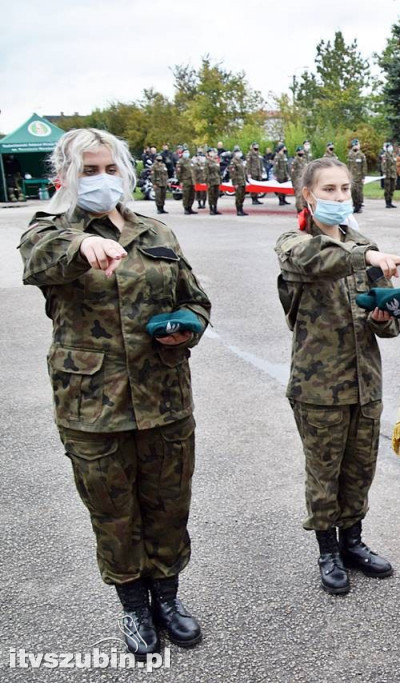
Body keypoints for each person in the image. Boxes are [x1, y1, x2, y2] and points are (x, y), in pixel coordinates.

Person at [19, 128, 211, 658]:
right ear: (66, 176)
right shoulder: (49, 231)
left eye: (109, 169)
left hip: (165, 397)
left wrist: (186, 325)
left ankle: (167, 599)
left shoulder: (156, 232)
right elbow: (38, 262)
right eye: (89, 170)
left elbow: (196, 299)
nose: (102, 180)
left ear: (125, 173)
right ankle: (133, 607)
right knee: (113, 510)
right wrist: (83, 243)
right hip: (92, 405)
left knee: (169, 505)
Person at [274, 157, 400, 595]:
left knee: (359, 469)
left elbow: (389, 325)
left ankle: (353, 541)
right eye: (329, 190)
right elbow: (318, 260)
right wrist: (366, 256)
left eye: (345, 189)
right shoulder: (294, 243)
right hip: (318, 386)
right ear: (308, 195)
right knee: (324, 471)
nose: (339, 197)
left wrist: (381, 315)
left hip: (364, 381)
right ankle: (327, 550)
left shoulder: (364, 243)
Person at [174, 148, 196, 215]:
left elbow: (193, 171)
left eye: (188, 152)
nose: (187, 154)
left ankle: (190, 207)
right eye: (185, 152)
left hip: (192, 181)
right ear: (183, 153)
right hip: (185, 181)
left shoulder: (190, 161)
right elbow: (178, 172)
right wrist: (180, 181)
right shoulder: (180, 162)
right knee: (186, 195)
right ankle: (186, 208)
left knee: (192, 195)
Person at [348, 140, 366, 213]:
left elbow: (364, 167)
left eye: (357, 145)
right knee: (353, 191)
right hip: (352, 176)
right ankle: (355, 205)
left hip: (359, 177)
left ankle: (359, 205)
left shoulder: (361, 155)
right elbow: (348, 166)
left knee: (359, 191)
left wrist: (363, 177)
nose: (356, 146)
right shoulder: (350, 155)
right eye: (355, 145)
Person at [228, 149, 248, 216]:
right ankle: (238, 210)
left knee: (242, 196)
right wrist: (235, 183)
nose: (239, 154)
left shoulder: (241, 161)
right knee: (238, 196)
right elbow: (232, 173)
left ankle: (241, 209)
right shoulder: (233, 162)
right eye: (237, 152)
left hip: (242, 181)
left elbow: (244, 171)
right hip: (237, 182)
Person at [290, 145, 309, 214]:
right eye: (300, 151)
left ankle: (304, 209)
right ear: (297, 152)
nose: (301, 152)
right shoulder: (295, 161)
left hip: (304, 179)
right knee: (299, 196)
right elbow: (292, 173)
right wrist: (294, 183)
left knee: (304, 195)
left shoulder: (304, 160)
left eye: (302, 151)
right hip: (298, 180)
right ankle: (299, 210)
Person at [380, 142, 398, 209]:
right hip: (388, 175)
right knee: (387, 189)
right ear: (387, 148)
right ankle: (387, 203)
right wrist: (384, 173)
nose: (391, 148)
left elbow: (395, 165)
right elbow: (383, 165)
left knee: (392, 189)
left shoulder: (393, 155)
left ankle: (390, 202)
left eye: (391, 146)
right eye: (390, 147)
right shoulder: (385, 155)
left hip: (393, 174)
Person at [205, 149, 221, 215]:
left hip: (216, 180)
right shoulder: (207, 162)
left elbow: (218, 172)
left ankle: (215, 208)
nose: (213, 153)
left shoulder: (215, 161)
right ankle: (211, 209)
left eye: (213, 152)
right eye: (211, 152)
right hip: (211, 181)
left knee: (216, 195)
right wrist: (207, 182)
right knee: (211, 195)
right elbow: (206, 173)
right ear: (208, 154)